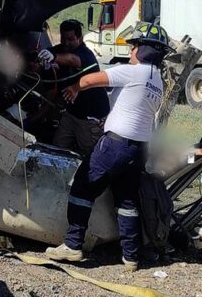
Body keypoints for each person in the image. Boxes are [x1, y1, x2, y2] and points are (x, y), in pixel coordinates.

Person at [44, 21, 173, 271]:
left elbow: (93, 79)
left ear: (144, 49)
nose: (131, 51)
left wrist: (74, 87)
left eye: (134, 46)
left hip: (115, 144)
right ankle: (131, 256)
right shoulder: (157, 80)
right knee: (126, 201)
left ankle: (72, 245)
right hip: (138, 148)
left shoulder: (135, 71)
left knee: (83, 186)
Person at [36, 20, 110, 156]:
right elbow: (51, 51)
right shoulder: (61, 48)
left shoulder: (86, 55)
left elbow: (72, 59)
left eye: (70, 39)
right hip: (71, 114)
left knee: (90, 153)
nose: (66, 43)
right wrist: (46, 53)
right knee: (57, 147)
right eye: (63, 39)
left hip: (89, 118)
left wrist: (55, 57)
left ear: (80, 39)